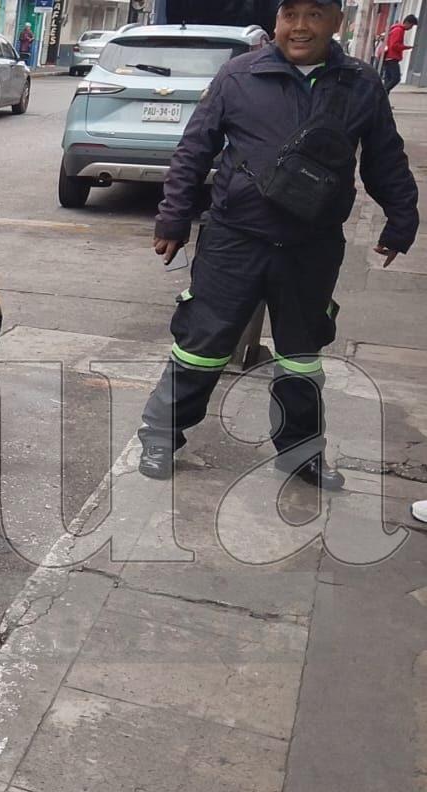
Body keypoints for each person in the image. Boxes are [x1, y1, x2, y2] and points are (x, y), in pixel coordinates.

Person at [137, 0, 419, 488]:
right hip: (234, 239)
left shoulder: (361, 84)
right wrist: (173, 217)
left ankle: (301, 454)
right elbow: (195, 149)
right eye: (291, 15)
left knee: (301, 357)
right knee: (201, 345)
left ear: (337, 22)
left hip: (312, 246)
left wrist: (401, 221)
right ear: (277, 21)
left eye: (315, 15)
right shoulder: (239, 75)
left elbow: (385, 158)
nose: (300, 27)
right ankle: (161, 436)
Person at [382, 15, 417, 92]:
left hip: (389, 57)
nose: (411, 28)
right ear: (407, 23)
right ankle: (382, 92)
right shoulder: (399, 30)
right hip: (392, 57)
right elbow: (394, 45)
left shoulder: (397, 29)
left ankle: (383, 97)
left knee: (388, 80)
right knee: (396, 78)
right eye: (411, 26)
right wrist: (406, 47)